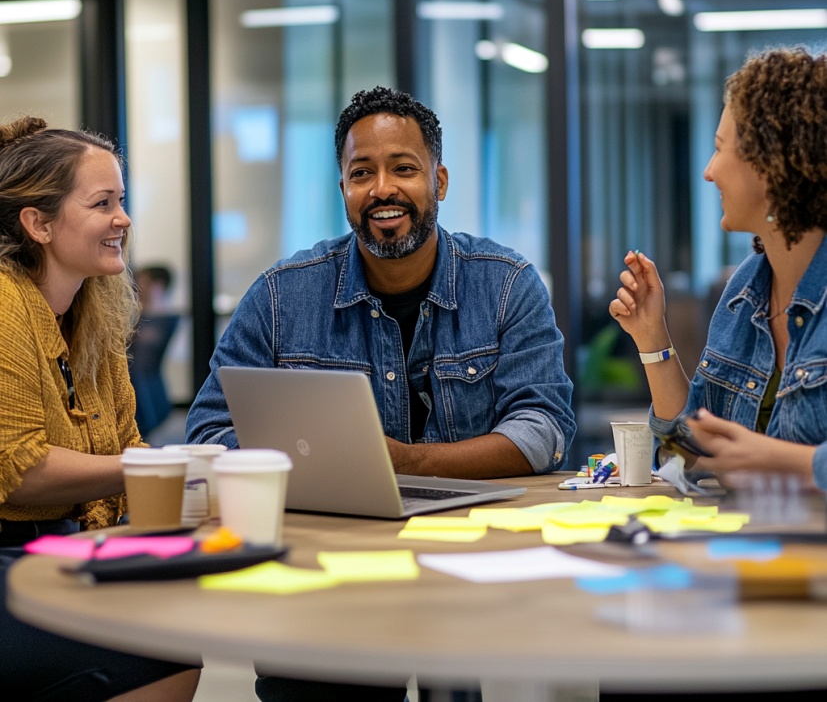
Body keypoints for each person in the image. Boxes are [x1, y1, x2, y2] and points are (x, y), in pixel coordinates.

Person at [187, 86, 576, 701]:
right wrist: (317, 461)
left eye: (404, 169)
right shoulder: (282, 296)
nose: (382, 190)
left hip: (467, 560)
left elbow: (543, 428)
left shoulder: (507, 285)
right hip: (324, 567)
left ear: (439, 181)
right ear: (342, 187)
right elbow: (209, 430)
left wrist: (403, 462)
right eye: (361, 173)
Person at [0, 116, 201, 701]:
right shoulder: (7, 305)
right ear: (38, 223)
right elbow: (19, 468)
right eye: (102, 203)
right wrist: (162, 468)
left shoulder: (96, 312)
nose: (124, 219)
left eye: (123, 200)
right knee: (155, 643)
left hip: (60, 542)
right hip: (14, 550)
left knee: (185, 606)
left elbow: (127, 443)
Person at [609, 46, 827, 494]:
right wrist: (652, 339)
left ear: (772, 165)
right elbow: (690, 454)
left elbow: (756, 462)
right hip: (751, 551)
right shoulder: (744, 290)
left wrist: (789, 462)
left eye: (719, 149)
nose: (709, 172)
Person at [130, 264, 179, 437]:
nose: (137, 287)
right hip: (147, 391)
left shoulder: (159, 320)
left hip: (146, 395)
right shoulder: (142, 318)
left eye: (142, 282)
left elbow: (140, 361)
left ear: (157, 286)